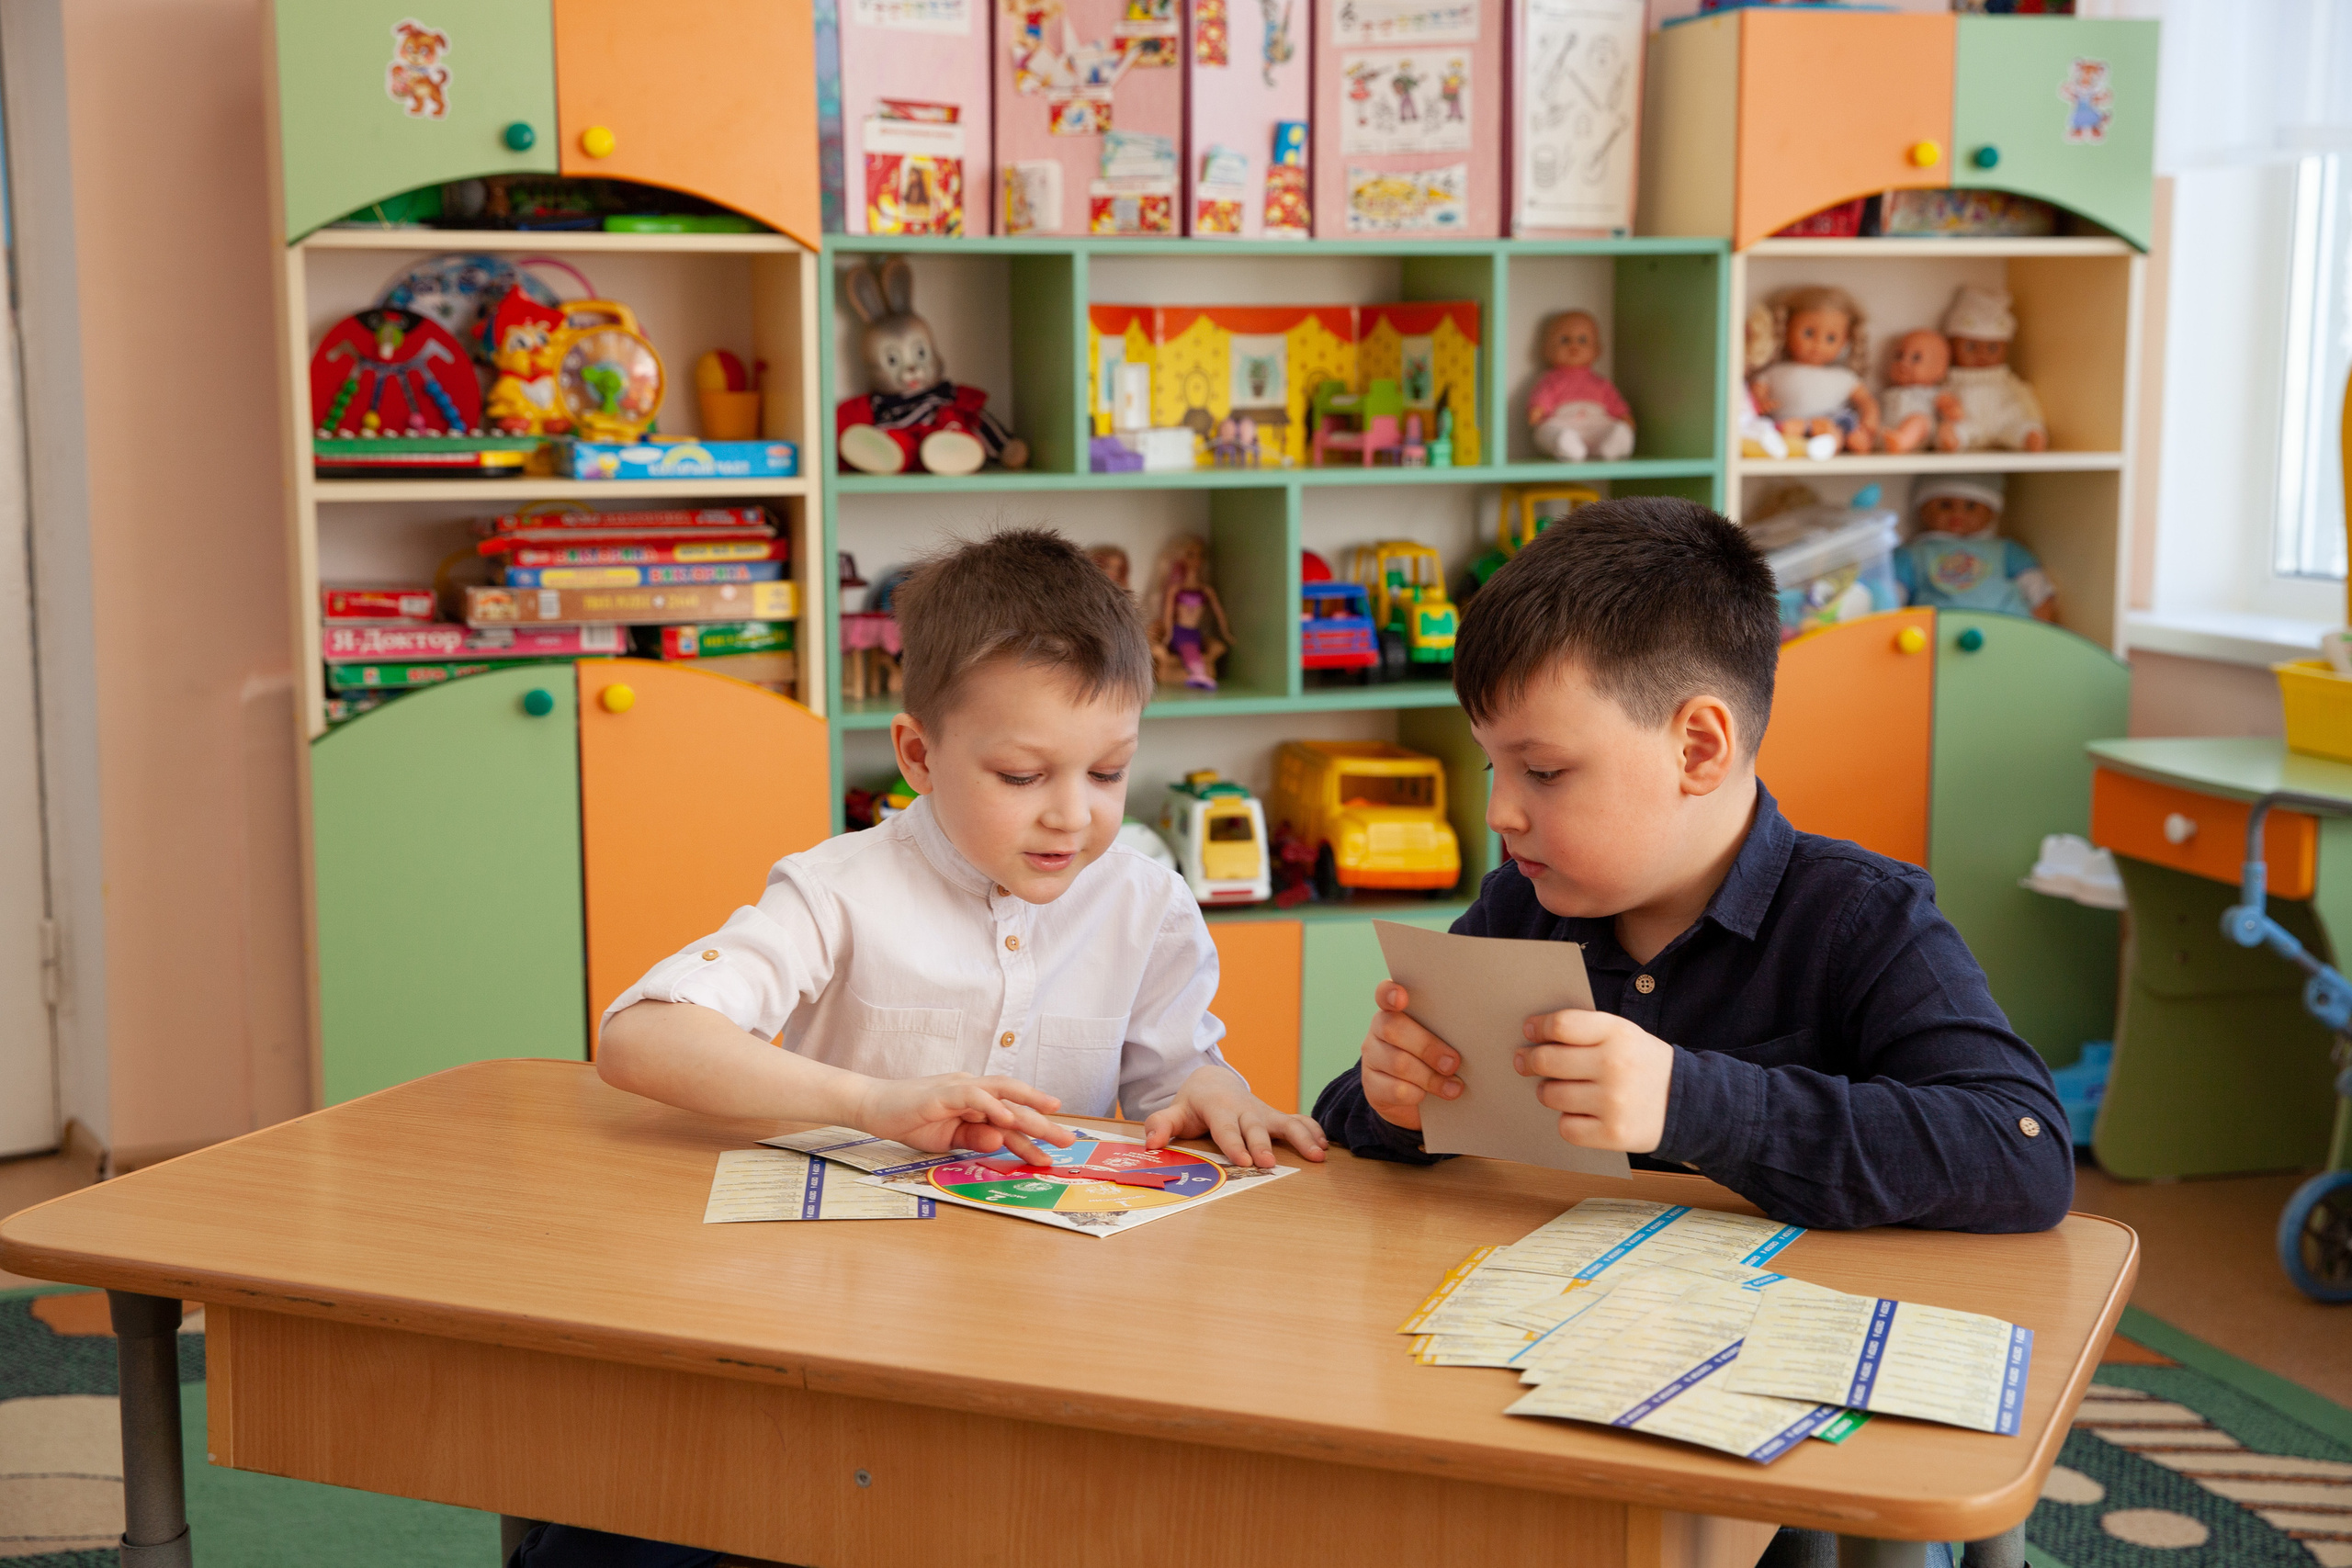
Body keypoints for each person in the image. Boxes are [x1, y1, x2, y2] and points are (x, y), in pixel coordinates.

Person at [526, 528, 1323, 1568]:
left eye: (1108, 771)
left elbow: (1174, 1072)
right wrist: (870, 1102)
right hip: (830, 1326)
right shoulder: (838, 890)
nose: (1072, 815)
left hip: (1050, 1331)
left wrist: (1214, 1087)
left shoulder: (1146, 901)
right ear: (917, 755)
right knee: (669, 1519)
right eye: (1022, 774)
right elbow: (639, 1038)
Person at [1312, 495, 2073, 1236]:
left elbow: (2023, 1150)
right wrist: (1392, 1103)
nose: (1499, 814)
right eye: (1492, 767)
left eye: (1542, 771)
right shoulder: (1517, 907)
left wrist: (1690, 1103)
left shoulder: (1862, 916)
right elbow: (1345, 1115)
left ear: (1698, 749)